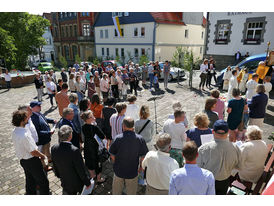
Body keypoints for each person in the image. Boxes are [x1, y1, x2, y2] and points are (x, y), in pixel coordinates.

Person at [197, 120, 241, 195]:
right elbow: (239, 166)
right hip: (225, 180)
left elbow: (197, 167)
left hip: (208, 181)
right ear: (227, 132)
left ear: (213, 131)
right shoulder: (236, 148)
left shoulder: (204, 148)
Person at [11, 110, 50, 195]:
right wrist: (43, 156)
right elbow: (33, 152)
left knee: (30, 180)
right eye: (26, 119)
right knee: (43, 182)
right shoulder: (25, 135)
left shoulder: (14, 131)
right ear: (22, 121)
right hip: (32, 161)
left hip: (23, 161)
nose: (27, 120)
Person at [109, 117, 148, 195]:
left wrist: (116, 163)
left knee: (116, 192)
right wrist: (140, 167)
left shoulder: (117, 138)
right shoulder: (140, 139)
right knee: (131, 193)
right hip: (132, 172)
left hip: (118, 171)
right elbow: (143, 156)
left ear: (123, 126)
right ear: (133, 126)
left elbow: (112, 155)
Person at [51, 125, 91, 195]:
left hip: (64, 180)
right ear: (70, 136)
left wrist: (58, 174)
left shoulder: (53, 148)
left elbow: (54, 164)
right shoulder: (74, 150)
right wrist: (87, 182)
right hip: (76, 183)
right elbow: (81, 169)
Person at [81, 110, 106, 183]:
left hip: (87, 146)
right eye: (92, 116)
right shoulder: (94, 127)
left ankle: (92, 175)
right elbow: (102, 136)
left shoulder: (83, 127)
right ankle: (98, 179)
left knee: (89, 161)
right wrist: (96, 125)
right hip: (95, 147)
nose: (94, 117)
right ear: (88, 118)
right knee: (98, 163)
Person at [30, 101, 56, 170]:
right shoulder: (33, 119)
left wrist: (52, 120)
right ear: (32, 108)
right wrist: (49, 133)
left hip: (46, 139)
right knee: (42, 154)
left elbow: (45, 119)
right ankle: (45, 166)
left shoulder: (38, 113)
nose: (40, 107)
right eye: (38, 106)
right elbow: (38, 132)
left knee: (47, 149)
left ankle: (50, 159)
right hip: (42, 140)